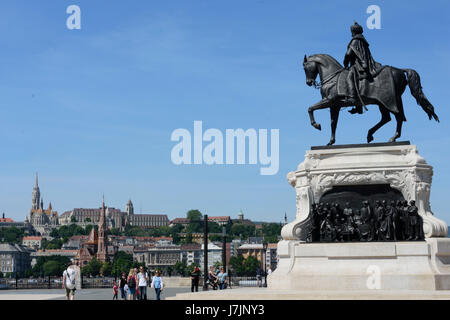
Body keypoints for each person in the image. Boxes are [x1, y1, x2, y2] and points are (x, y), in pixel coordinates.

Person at [344, 21, 380, 114]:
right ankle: (358, 107)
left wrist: (345, 63)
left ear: (353, 31)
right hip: (366, 63)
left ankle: (352, 98)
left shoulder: (355, 41)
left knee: (349, 77)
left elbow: (348, 54)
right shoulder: (363, 40)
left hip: (358, 65)